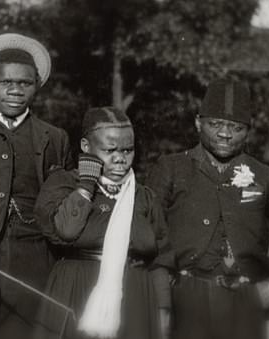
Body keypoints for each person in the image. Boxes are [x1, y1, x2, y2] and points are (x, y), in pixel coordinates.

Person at [0, 33, 72, 339]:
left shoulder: (54, 137)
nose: (16, 91)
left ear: (37, 85)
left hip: (35, 265)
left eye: (25, 83)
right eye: (6, 82)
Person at [146, 79, 269, 339]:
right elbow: (150, 232)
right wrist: (162, 295)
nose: (225, 134)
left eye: (236, 127)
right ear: (198, 122)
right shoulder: (171, 168)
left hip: (248, 297)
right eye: (215, 124)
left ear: (248, 132)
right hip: (185, 295)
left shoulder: (267, 177)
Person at [33, 107, 173, 339]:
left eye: (128, 150)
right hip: (78, 290)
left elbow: (161, 256)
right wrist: (87, 184)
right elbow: (66, 231)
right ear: (86, 147)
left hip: (135, 296)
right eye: (110, 150)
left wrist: (163, 309)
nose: (120, 158)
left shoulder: (143, 195)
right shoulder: (64, 184)